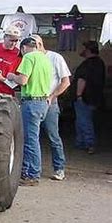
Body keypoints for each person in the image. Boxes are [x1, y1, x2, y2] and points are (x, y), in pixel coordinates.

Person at [6, 37, 52, 186]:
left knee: (30, 140)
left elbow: (23, 81)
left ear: (23, 48)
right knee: (34, 138)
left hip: (31, 102)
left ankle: (32, 174)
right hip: (43, 101)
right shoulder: (45, 58)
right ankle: (29, 171)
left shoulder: (28, 57)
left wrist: (12, 76)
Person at [30, 34, 71, 181]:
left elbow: (65, 82)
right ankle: (31, 169)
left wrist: (52, 96)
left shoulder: (55, 58)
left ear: (39, 45)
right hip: (34, 100)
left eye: (33, 45)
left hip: (48, 102)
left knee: (53, 136)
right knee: (31, 137)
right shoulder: (29, 58)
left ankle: (59, 167)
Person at [73, 41, 106, 154]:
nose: (82, 50)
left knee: (84, 121)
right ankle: (81, 142)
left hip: (84, 97)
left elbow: (82, 80)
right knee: (83, 120)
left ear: (88, 50)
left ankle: (88, 144)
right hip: (95, 97)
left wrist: (78, 95)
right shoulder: (100, 63)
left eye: (84, 48)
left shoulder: (87, 64)